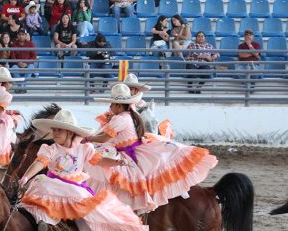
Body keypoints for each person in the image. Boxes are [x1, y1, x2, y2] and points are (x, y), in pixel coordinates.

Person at [18, 108, 150, 231]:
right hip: (52, 186)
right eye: (54, 129)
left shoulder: (84, 149)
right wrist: (26, 177)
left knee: (86, 218)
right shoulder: (50, 149)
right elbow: (39, 163)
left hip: (74, 188)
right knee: (37, 198)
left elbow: (100, 160)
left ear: (70, 132)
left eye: (59, 129)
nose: (55, 133)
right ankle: (43, 229)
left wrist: (117, 162)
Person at [85, 84, 217, 213]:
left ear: (119, 105)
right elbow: (103, 134)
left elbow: (103, 138)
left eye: (112, 104)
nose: (110, 107)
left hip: (127, 151)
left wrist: (87, 139)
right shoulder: (128, 114)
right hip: (128, 147)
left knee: (104, 169)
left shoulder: (122, 118)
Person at [9, 28, 37, 93]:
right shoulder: (14, 44)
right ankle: (23, 87)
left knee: (31, 67)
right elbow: (12, 57)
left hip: (28, 64)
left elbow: (34, 56)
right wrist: (18, 63)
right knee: (13, 68)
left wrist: (26, 63)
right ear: (17, 36)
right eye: (19, 34)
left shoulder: (30, 44)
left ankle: (20, 87)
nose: (21, 36)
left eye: (23, 34)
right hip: (17, 64)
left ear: (25, 35)